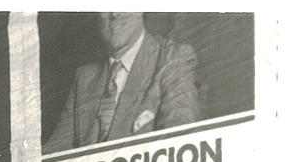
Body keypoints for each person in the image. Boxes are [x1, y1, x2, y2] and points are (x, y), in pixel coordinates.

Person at [43, 12, 198, 154]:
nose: (115, 14)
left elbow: (179, 146)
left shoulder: (173, 59)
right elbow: (54, 152)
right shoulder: (85, 77)